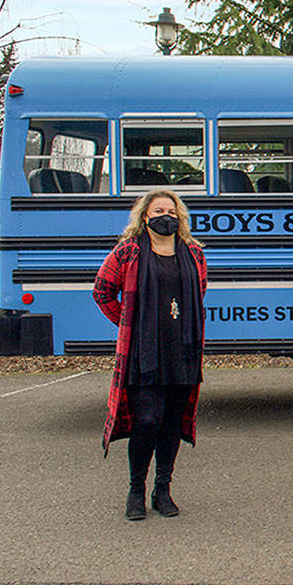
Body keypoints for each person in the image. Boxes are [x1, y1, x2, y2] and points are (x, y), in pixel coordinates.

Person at [93, 189, 207, 521]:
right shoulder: (128, 251)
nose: (165, 216)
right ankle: (136, 490)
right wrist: (131, 322)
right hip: (144, 352)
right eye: (158, 211)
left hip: (182, 351)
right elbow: (102, 291)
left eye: (171, 211)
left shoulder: (194, 253)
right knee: (147, 421)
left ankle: (163, 489)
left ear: (179, 216)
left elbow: (198, 294)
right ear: (145, 216)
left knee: (172, 423)